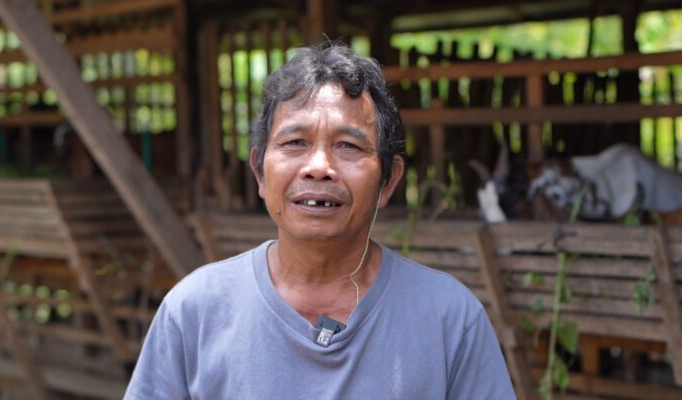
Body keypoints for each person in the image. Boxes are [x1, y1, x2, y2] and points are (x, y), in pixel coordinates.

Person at [124, 43, 515, 399]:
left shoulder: (450, 319)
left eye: (348, 145)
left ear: (388, 180)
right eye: (295, 143)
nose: (319, 166)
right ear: (260, 172)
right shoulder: (193, 312)